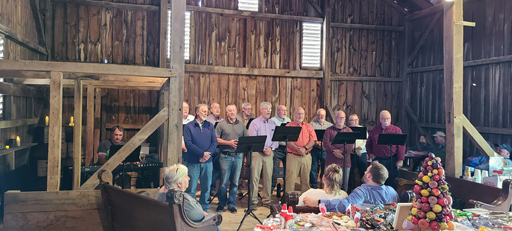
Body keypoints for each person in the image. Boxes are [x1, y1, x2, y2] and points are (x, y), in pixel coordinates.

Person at [302, 161, 399, 212]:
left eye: (367, 171)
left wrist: (318, 202)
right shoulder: (392, 192)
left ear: (369, 176)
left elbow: (344, 206)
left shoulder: (362, 191)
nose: (364, 172)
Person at [156, 164, 221, 231]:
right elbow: (199, 215)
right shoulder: (178, 198)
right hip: (188, 227)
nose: (188, 178)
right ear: (179, 183)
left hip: (169, 225)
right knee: (214, 222)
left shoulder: (163, 191)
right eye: (186, 176)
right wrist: (208, 215)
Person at [183, 104, 217, 212]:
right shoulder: (189, 126)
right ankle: (191, 209)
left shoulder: (210, 125)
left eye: (206, 112)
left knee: (206, 187)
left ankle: (204, 208)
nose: (206, 114)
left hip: (208, 162)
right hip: (194, 162)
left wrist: (207, 154)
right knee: (191, 187)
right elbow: (188, 144)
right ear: (197, 112)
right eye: (204, 111)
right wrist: (202, 154)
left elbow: (214, 142)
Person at [215, 104, 247, 214]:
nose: (232, 112)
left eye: (233, 110)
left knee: (235, 182)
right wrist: (228, 143)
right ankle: (221, 203)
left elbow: (245, 140)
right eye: (229, 110)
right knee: (223, 182)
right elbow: (216, 139)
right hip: (225, 156)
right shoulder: (221, 124)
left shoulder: (242, 125)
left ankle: (232, 204)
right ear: (227, 112)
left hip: (238, 156)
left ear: (236, 111)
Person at [248, 102, 278, 210]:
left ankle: (266, 200)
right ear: (261, 110)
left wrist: (271, 148)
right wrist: (263, 149)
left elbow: (276, 139)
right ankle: (253, 201)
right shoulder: (254, 123)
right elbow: (253, 139)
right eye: (266, 109)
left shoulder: (273, 123)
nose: (269, 111)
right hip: (257, 153)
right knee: (254, 178)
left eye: (270, 109)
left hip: (269, 153)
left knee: (268, 178)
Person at [366, 110, 405, 188]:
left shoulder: (396, 130)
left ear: (390, 119)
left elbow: (401, 146)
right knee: (377, 182)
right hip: (378, 160)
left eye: (387, 118)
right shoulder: (374, 130)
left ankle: (391, 199)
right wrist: (370, 154)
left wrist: (400, 160)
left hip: (392, 160)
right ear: (380, 119)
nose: (385, 120)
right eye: (383, 119)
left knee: (392, 182)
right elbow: (368, 144)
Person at [285, 107, 317, 194]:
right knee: (290, 180)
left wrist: (305, 148)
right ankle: (289, 200)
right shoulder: (289, 126)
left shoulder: (309, 126)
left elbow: (313, 140)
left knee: (306, 180)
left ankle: (304, 200)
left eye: (302, 113)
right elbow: (288, 141)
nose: (300, 115)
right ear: (294, 115)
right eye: (298, 113)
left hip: (306, 156)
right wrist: (298, 149)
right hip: (292, 156)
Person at [323, 111, 354, 191]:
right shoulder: (329, 130)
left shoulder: (349, 131)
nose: (341, 119)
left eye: (343, 118)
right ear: (335, 118)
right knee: (330, 183)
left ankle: (343, 200)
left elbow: (350, 145)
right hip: (331, 161)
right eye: (339, 117)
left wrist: (341, 151)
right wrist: (334, 151)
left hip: (345, 161)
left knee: (344, 185)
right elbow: (326, 143)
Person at [270, 105, 292, 193]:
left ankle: (286, 191)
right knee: (274, 171)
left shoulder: (288, 120)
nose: (285, 112)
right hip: (277, 148)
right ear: (278, 111)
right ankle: (271, 190)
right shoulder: (272, 121)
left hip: (287, 148)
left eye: (286, 110)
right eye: (283, 110)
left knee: (288, 170)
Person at [309, 108, 333, 189]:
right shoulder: (311, 124)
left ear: (325, 116)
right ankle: (314, 186)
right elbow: (309, 137)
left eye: (322, 115)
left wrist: (324, 145)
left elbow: (332, 138)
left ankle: (324, 185)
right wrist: (317, 143)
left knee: (325, 168)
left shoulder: (330, 126)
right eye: (319, 115)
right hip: (314, 148)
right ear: (316, 115)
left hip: (325, 150)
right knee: (313, 168)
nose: (320, 116)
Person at [347, 114, 368, 193]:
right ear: (349, 122)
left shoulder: (363, 129)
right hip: (351, 153)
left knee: (363, 172)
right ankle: (349, 190)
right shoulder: (347, 129)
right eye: (352, 120)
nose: (355, 121)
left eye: (356, 120)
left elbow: (365, 141)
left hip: (361, 153)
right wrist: (353, 149)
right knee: (350, 172)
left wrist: (358, 148)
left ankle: (364, 190)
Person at [207, 102, 224, 197]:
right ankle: (207, 190)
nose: (217, 109)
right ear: (211, 109)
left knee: (217, 169)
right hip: (209, 147)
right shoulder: (207, 119)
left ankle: (213, 188)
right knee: (208, 169)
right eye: (215, 108)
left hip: (218, 147)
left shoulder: (222, 121)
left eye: (219, 108)